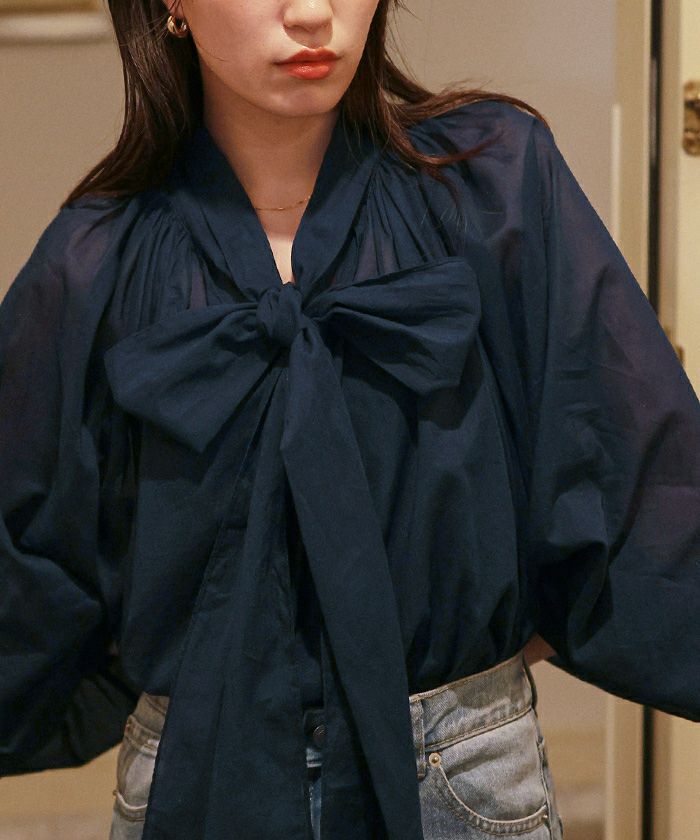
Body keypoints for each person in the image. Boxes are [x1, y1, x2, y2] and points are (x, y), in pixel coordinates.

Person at [1, 0, 699, 838]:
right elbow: (32, 566)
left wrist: (469, 692)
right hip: (197, 778)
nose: (311, 12)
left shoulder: (494, 183)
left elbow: (627, 469)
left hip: (464, 781)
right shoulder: (97, 260)